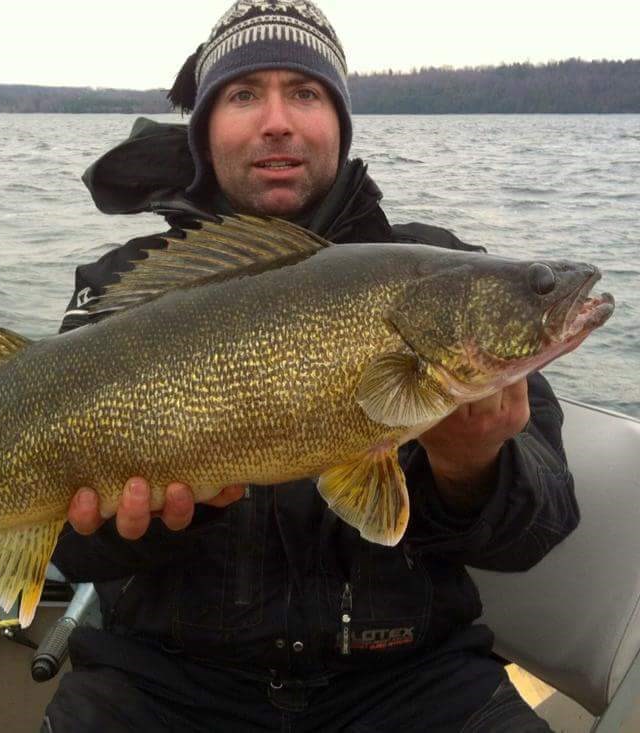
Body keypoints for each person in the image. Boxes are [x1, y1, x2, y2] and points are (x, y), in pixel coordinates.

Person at [43, 2, 576, 731]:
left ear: (339, 119)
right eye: (242, 94)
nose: (276, 121)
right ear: (204, 127)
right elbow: (65, 545)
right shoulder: (123, 292)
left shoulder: (442, 272)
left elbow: (540, 527)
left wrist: (471, 469)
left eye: (305, 92)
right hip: (161, 686)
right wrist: (152, 521)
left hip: (411, 684)